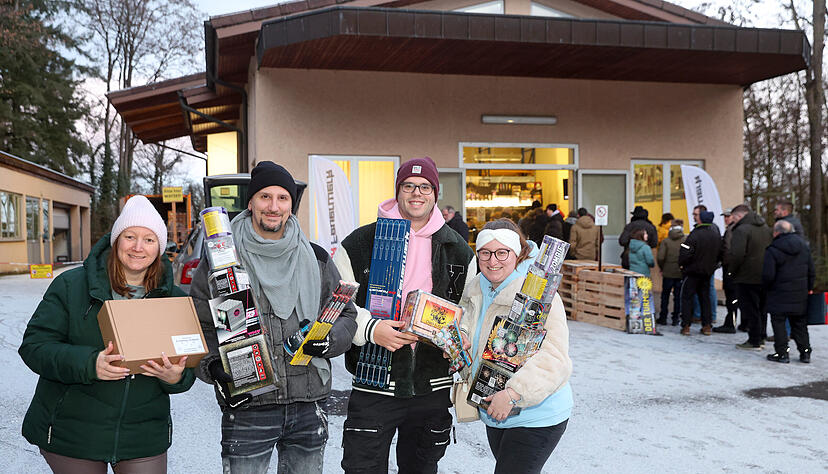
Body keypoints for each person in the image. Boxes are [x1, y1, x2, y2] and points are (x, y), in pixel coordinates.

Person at [190, 161, 358, 473]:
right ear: (251, 202)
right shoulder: (222, 260)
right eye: (265, 197)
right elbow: (195, 324)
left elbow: (346, 315)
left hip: (308, 403)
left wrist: (330, 340)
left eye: (282, 198)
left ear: (291, 205)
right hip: (249, 403)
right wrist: (212, 365)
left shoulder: (317, 258)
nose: (273, 206)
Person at [19, 195, 196, 473]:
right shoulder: (72, 286)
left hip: (142, 436)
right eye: (130, 236)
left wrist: (176, 377)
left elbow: (186, 366)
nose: (138, 247)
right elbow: (34, 346)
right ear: (116, 240)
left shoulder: (173, 299)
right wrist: (89, 364)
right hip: (74, 433)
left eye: (149, 240)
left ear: (159, 247)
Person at [332, 157, 476, 473]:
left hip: (431, 385)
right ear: (398, 191)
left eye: (425, 187)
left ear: (435, 194)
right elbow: (340, 303)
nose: (416, 193)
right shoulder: (359, 243)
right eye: (408, 186)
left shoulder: (458, 250)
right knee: (362, 467)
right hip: (375, 382)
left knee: (421, 467)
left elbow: (470, 308)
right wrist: (371, 330)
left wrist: (462, 335)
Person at [458, 219, 571, 474]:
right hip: (495, 411)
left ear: (518, 253)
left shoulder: (539, 291)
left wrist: (513, 394)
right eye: (485, 252)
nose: (492, 261)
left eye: (502, 252)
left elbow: (555, 358)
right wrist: (462, 339)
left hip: (535, 413)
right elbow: (467, 322)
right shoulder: (477, 286)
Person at [762, 220, 815, 363]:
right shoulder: (804, 247)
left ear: (777, 232)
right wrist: (809, 288)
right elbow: (811, 270)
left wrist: (766, 288)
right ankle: (805, 353)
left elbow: (768, 275)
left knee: (778, 324)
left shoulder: (773, 249)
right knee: (799, 324)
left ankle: (782, 353)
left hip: (778, 293)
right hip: (799, 293)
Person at [727, 204, 773, 350]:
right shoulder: (766, 228)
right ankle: (761, 337)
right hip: (765, 273)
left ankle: (754, 340)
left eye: (733, 218)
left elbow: (737, 254)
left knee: (750, 309)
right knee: (762, 308)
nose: (732, 221)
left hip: (746, 275)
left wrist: (731, 272)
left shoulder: (741, 230)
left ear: (739, 216)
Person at [678, 211, 721, 336]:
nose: (694, 217)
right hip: (707, 272)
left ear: (701, 219)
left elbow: (685, 252)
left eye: (696, 216)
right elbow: (721, 253)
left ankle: (686, 326)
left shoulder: (695, 234)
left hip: (692, 272)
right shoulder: (716, 235)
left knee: (687, 298)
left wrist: (682, 265)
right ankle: (707, 326)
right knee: (705, 298)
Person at [714, 208, 740, 333]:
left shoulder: (731, 230)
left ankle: (731, 323)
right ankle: (741, 323)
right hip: (735, 268)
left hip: (730, 268)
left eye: (728, 216)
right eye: (724, 216)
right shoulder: (736, 229)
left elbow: (728, 250)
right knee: (736, 297)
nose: (726, 219)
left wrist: (725, 264)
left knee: (732, 297)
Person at [657, 219, 685, 326]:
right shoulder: (685, 240)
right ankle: (675, 318)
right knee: (678, 296)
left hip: (668, 272)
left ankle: (663, 317)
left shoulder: (666, 241)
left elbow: (660, 257)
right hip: (680, 272)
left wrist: (662, 267)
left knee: (665, 295)